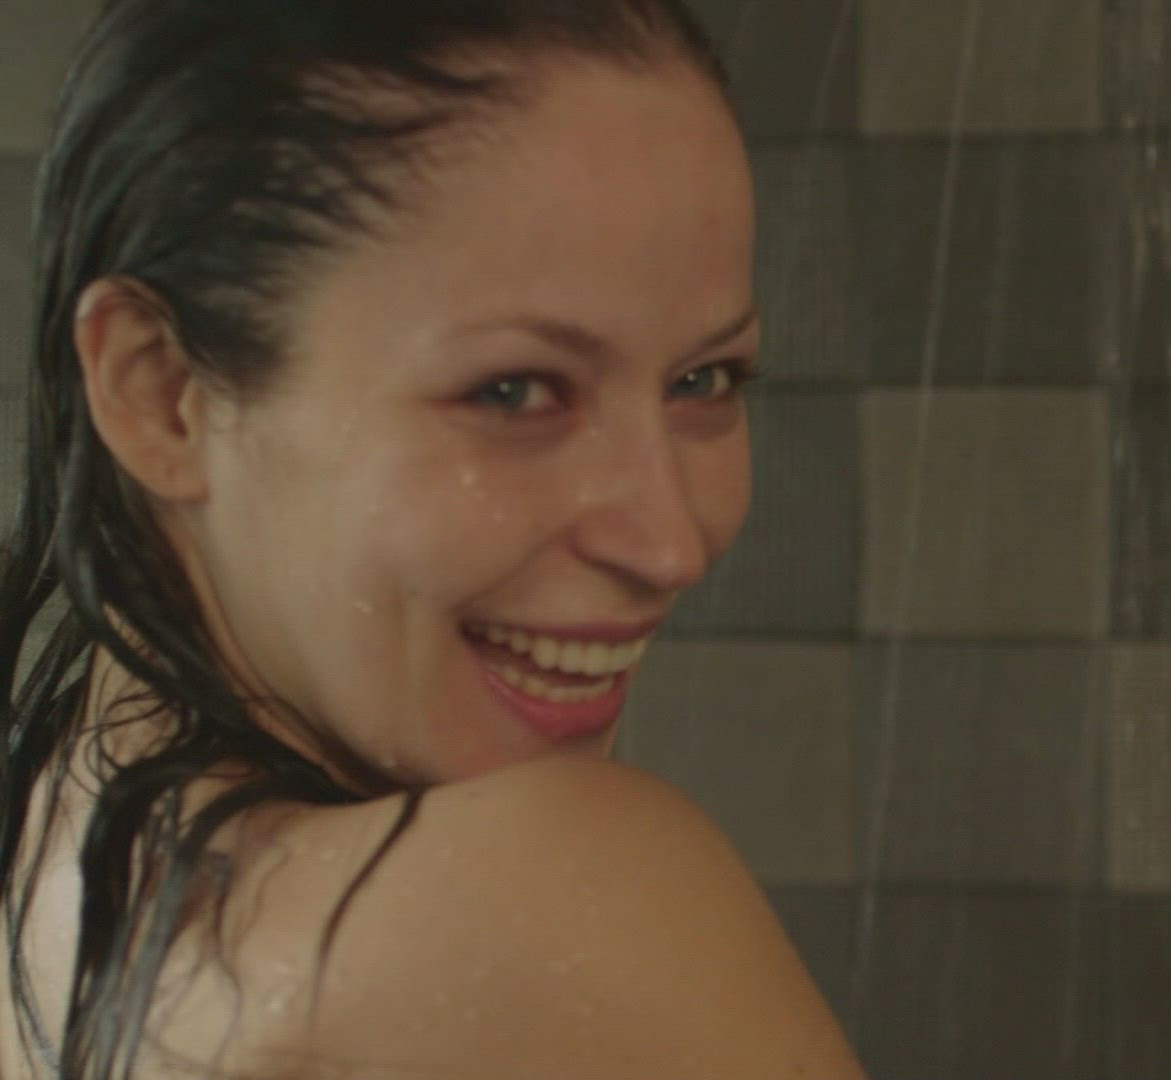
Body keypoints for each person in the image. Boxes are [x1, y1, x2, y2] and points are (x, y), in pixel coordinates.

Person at [0, 1, 868, 1076]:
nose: (670, 544)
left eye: (704, 380)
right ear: (162, 392)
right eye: (514, 391)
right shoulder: (558, 903)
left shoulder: (48, 876)